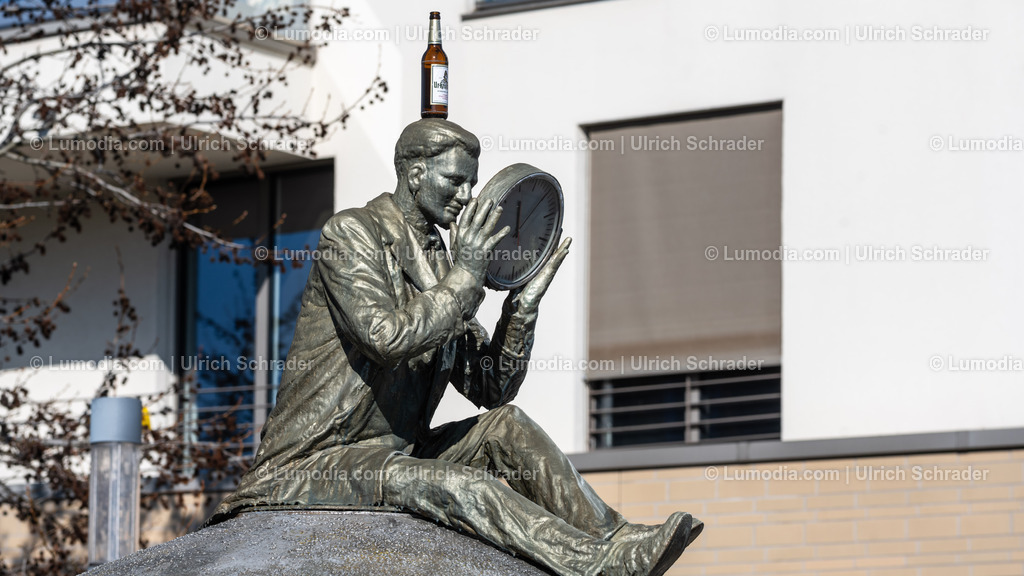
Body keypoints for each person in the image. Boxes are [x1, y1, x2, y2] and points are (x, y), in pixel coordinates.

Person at [207, 118, 702, 576]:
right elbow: (387, 338)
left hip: (397, 451)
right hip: (316, 462)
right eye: (455, 181)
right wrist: (465, 278)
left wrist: (521, 308)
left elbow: (491, 388)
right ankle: (594, 564)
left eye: (472, 183)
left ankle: (613, 535)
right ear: (415, 174)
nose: (467, 196)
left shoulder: (445, 262)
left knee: (506, 428)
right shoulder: (352, 234)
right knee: (458, 487)